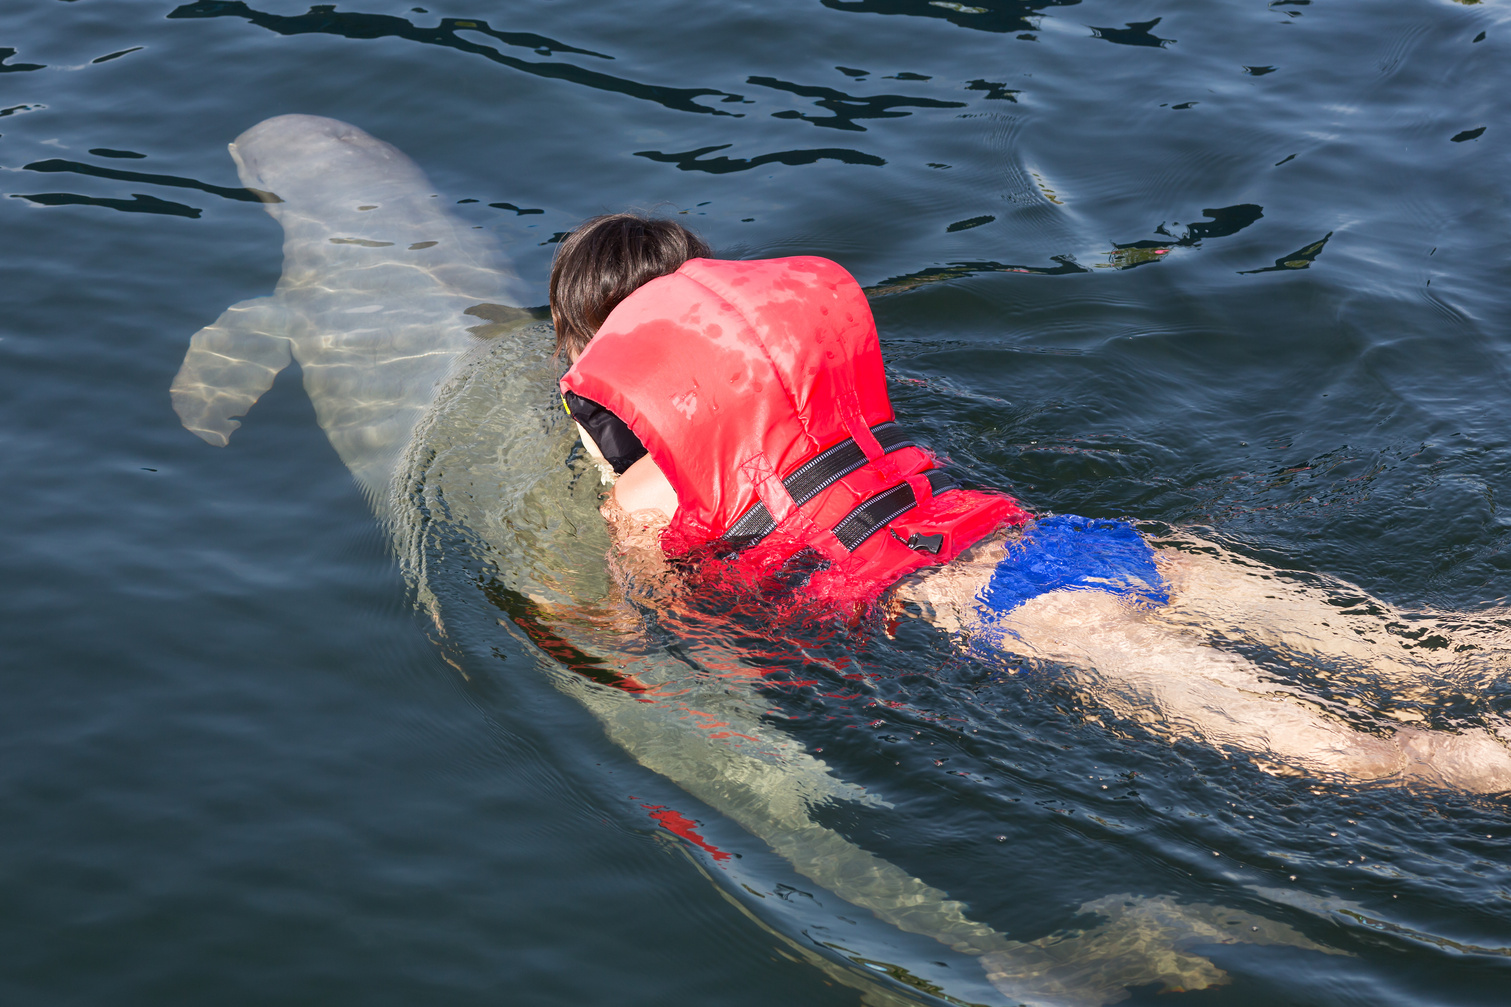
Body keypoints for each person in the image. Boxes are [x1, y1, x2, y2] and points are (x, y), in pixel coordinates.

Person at [552, 212, 1511, 794]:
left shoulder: (643, 497)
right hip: (1056, 541)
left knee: (1356, 758)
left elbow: (657, 636)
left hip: (1008, 612)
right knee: (1426, 645)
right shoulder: (825, 409)